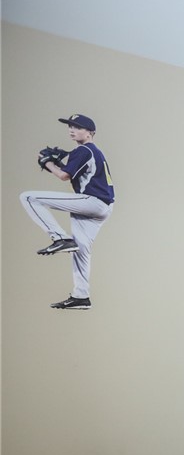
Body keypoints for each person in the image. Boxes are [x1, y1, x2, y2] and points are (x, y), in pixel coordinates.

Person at [20, 114, 115, 310]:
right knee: (80, 249)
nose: (72, 130)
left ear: (90, 133)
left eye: (77, 127)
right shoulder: (90, 151)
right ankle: (81, 296)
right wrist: (57, 162)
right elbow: (71, 170)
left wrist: (47, 164)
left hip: (92, 202)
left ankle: (60, 238)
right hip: (102, 206)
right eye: (70, 126)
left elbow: (64, 175)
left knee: (28, 197)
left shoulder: (83, 149)